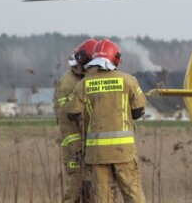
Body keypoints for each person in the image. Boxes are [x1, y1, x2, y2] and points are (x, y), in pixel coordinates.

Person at [68, 38, 147, 203]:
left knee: (103, 199)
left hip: (97, 154)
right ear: (116, 59)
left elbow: (73, 113)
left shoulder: (84, 84)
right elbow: (138, 111)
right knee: (134, 196)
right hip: (123, 152)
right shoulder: (128, 81)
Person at [54, 38, 98, 203]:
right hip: (76, 150)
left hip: (90, 146)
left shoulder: (87, 79)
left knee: (91, 192)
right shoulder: (68, 84)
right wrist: (78, 147)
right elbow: (65, 120)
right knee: (75, 191)